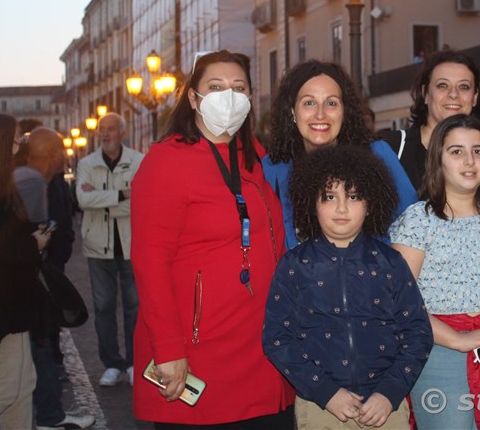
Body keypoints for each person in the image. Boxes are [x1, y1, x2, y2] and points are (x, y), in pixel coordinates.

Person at [131, 50, 295, 427]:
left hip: (261, 348)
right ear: (193, 98)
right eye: (216, 87)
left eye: (239, 88)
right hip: (199, 350)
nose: (230, 96)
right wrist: (169, 349)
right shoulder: (165, 161)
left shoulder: (254, 153)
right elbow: (149, 261)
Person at [264, 145, 432, 429]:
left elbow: (418, 333)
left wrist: (389, 393)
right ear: (311, 203)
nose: (342, 208)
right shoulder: (294, 266)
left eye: (353, 197)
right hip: (321, 408)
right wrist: (324, 392)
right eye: (329, 197)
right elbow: (277, 339)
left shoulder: (390, 263)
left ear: (369, 204)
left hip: (385, 409)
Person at [390, 114, 480, 430]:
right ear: (438, 160)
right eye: (456, 151)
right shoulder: (419, 220)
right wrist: (457, 340)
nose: (469, 161)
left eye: (478, 151)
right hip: (441, 350)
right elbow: (399, 301)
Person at [264, 60, 416, 250]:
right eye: (309, 103)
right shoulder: (273, 169)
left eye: (331, 103)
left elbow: (411, 224)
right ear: (293, 111)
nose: (320, 114)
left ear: (344, 111)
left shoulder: (377, 154)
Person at [13, 127, 95, 430]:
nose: (66, 154)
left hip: (28, 276)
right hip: (28, 279)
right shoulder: (32, 181)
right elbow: (29, 233)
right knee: (41, 342)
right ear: (50, 155)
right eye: (61, 149)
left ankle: (47, 411)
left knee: (40, 346)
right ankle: (49, 414)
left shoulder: (31, 179)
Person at [381, 49, 480, 218]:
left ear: (475, 97)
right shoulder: (390, 149)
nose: (453, 94)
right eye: (443, 85)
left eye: (464, 86)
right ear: (425, 93)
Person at [76, 112, 143, 388]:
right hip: (97, 247)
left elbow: (141, 201)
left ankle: (133, 362)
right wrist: (121, 194)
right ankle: (112, 363)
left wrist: (100, 199)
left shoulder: (138, 161)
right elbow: (82, 200)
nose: (105, 134)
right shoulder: (86, 163)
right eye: (102, 129)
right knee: (103, 308)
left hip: (131, 246)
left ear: (122, 133)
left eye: (111, 129)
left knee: (135, 307)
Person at [0, 114, 50, 430]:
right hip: (7, 308)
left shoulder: (8, 183)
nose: (22, 144)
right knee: (10, 389)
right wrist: (35, 244)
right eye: (17, 138)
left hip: (15, 305)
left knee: (23, 387)